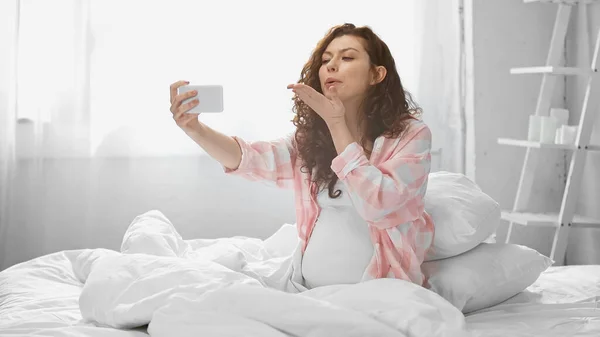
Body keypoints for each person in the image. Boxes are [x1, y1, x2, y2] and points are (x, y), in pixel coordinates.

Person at [168, 23, 434, 289]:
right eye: (326, 59)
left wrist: (336, 123)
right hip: (306, 290)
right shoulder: (311, 140)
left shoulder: (411, 136)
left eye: (347, 57)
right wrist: (195, 129)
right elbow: (252, 159)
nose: (331, 66)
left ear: (377, 74)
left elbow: (379, 206)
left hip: (381, 293)